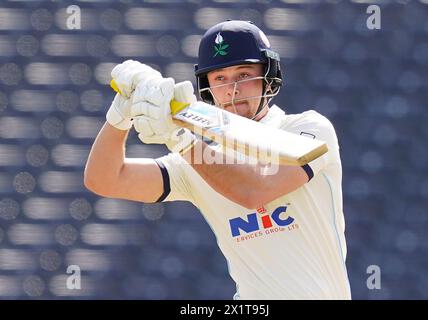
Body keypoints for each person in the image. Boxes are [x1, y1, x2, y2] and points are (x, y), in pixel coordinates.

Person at [84, 20, 351, 299]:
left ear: (269, 76)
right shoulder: (198, 159)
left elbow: (254, 190)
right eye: (220, 78)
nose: (232, 90)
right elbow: (105, 179)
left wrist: (182, 140)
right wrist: (120, 115)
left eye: (244, 74)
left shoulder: (308, 130)